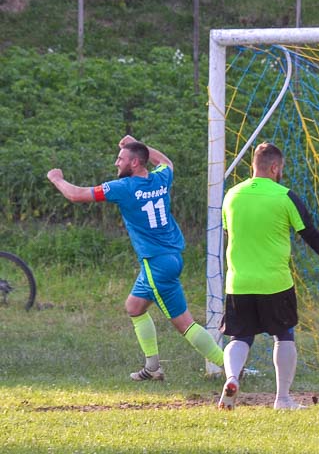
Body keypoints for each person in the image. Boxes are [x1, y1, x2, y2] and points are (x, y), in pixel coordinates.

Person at [47, 135, 224, 381]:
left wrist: (56, 178)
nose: (116, 163)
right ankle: (152, 368)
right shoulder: (161, 178)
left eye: (120, 159)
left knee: (184, 324)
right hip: (170, 257)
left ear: (134, 163)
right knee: (134, 306)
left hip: (156, 263)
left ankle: (230, 367)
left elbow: (76, 195)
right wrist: (139, 143)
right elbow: (166, 161)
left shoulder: (123, 188)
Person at [218, 141, 319, 410]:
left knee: (239, 337)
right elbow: (311, 236)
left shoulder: (231, 195)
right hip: (275, 283)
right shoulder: (285, 196)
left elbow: (229, 236)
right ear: (275, 167)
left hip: (237, 282)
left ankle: (231, 378)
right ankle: (283, 399)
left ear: (254, 165)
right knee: (283, 335)